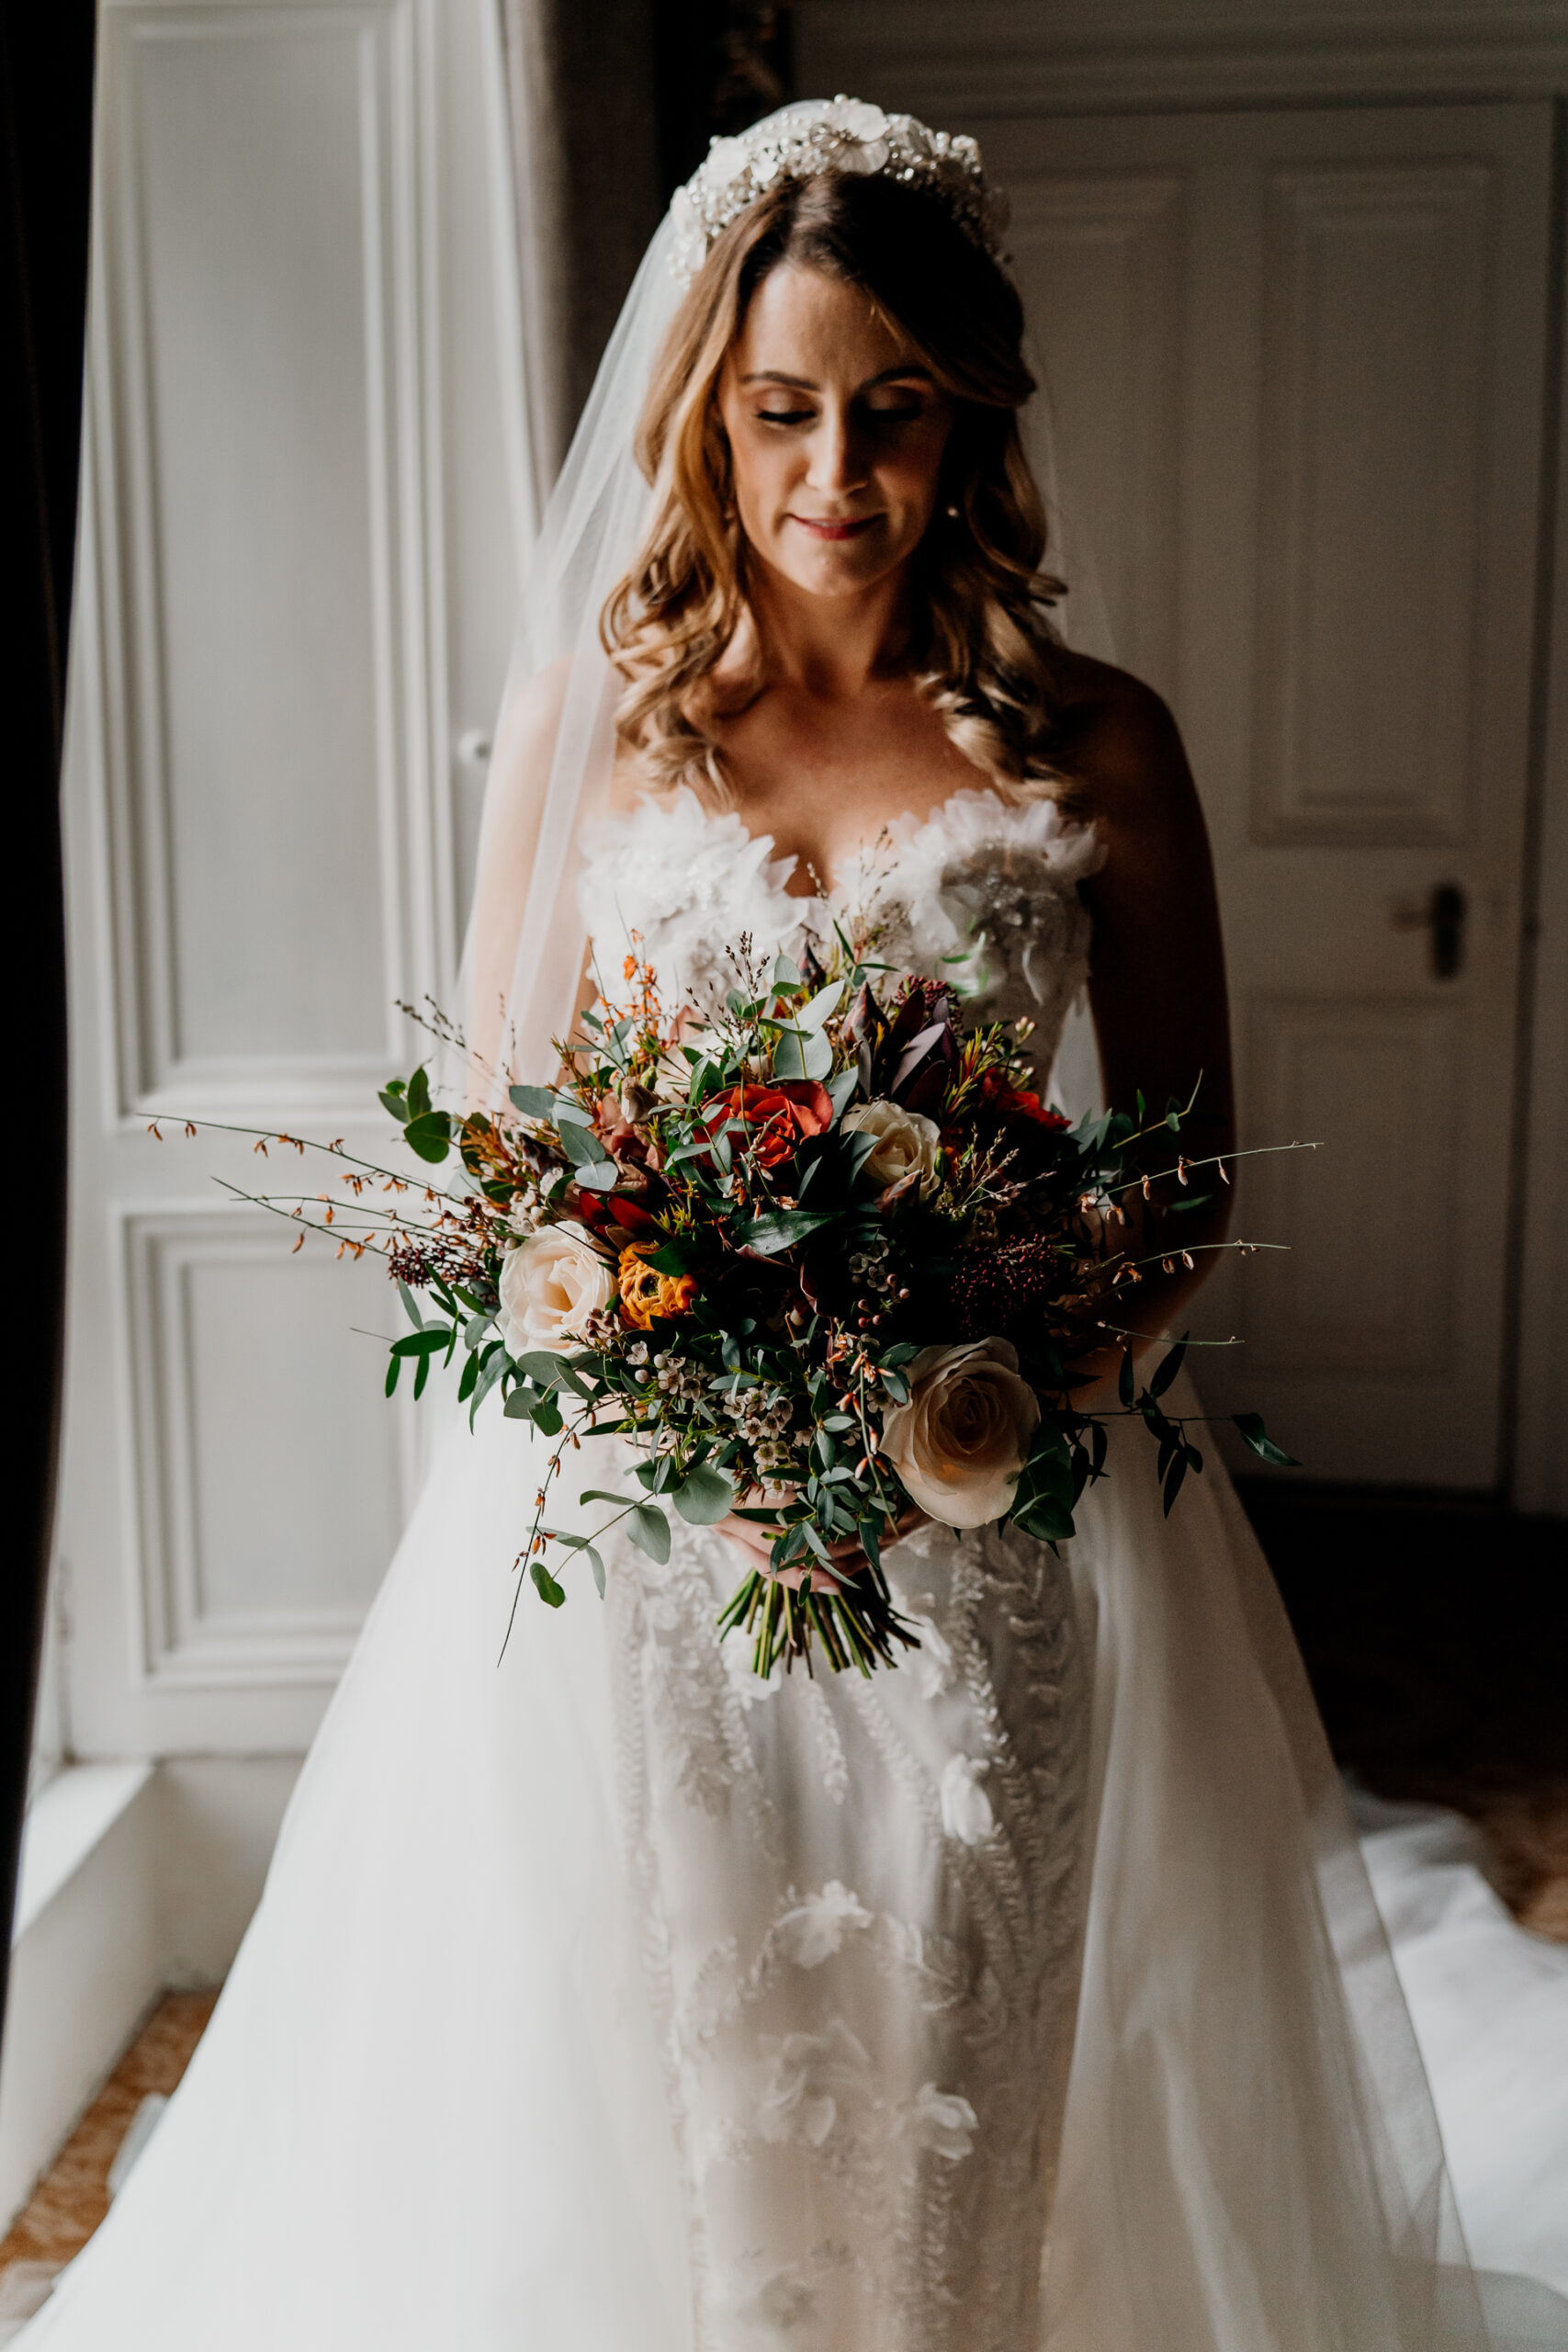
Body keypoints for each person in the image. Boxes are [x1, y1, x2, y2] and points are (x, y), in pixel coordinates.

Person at [20, 98, 1508, 2352]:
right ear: (704, 417)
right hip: (643, 1544)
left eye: (894, 412)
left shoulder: (1092, 742)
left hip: (994, 1520)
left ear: (970, 419)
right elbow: (509, 1157)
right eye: (782, 407)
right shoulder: (594, 727)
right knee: (675, 2059)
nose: (837, 473)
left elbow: (1187, 1175)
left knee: (957, 2060)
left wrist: (981, 1399)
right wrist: (698, 1406)